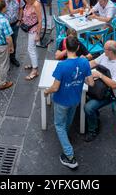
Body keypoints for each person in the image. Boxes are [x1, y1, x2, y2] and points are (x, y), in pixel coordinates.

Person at [44, 36, 94, 169]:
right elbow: (91, 82)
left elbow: (55, 87)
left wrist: (47, 92)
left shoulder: (62, 65)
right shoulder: (84, 63)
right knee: (68, 121)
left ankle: (70, 156)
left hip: (61, 100)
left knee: (59, 125)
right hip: (75, 99)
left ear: (66, 49)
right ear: (78, 48)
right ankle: (65, 140)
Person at [84, 41, 116, 141]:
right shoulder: (106, 55)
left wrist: (100, 75)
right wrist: (80, 65)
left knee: (88, 108)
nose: (103, 50)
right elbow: (93, 63)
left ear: (111, 51)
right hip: (99, 86)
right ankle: (93, 115)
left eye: (105, 49)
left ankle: (93, 130)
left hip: (109, 93)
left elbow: (114, 85)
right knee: (79, 92)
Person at [0, 0, 24, 68]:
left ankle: (13, 58)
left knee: (13, 42)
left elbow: (21, 8)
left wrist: (19, 20)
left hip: (15, 24)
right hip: (4, 26)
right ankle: (5, 61)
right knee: (5, 42)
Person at [21, 0, 42, 81]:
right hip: (29, 29)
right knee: (32, 48)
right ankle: (34, 63)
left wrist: (38, 34)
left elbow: (40, 20)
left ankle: (35, 70)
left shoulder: (36, 4)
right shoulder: (28, 2)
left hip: (34, 30)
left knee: (30, 48)